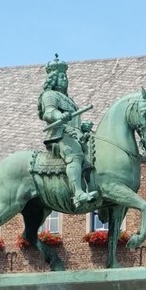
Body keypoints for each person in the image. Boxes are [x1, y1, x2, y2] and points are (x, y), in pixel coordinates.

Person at [37, 55, 97, 208]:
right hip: (59, 135)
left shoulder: (68, 99)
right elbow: (49, 113)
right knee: (75, 155)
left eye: (65, 76)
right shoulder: (49, 95)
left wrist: (82, 127)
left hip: (74, 134)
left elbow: (74, 122)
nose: (64, 79)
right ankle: (78, 193)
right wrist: (59, 115)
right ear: (53, 79)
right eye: (61, 76)